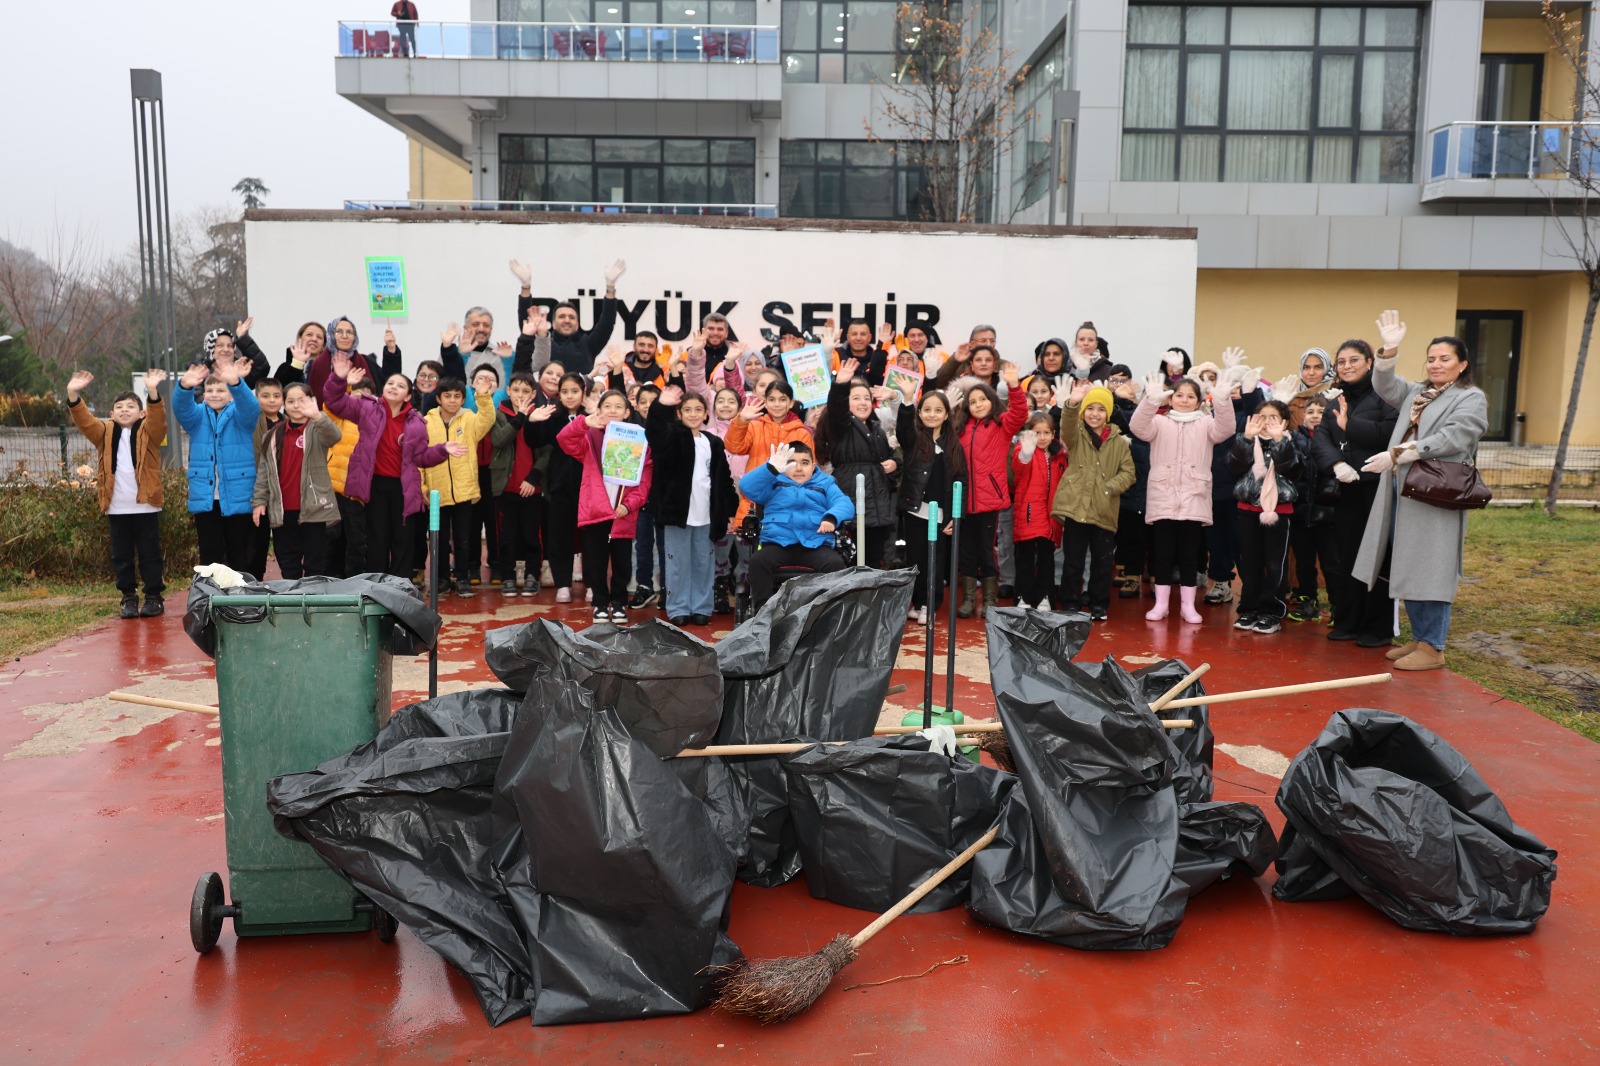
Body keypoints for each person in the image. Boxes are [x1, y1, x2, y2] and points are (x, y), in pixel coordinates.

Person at [1352, 312, 1489, 671]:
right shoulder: (1419, 393)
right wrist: (1389, 350)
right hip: (1406, 490)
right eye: (1431, 358)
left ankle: (1433, 646)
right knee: (1409, 561)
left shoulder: (1470, 397)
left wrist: (1400, 453)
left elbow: (1455, 437)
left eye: (1445, 358)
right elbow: (1385, 386)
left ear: (1462, 364)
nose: (1436, 364)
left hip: (1436, 492)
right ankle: (1420, 637)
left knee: (1433, 567)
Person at [321, 354, 462, 579]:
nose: (394, 387)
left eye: (400, 385)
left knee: (402, 540)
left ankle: (400, 585)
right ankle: (376, 586)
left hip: (403, 488)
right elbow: (333, 401)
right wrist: (339, 378)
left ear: (408, 395)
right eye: (390, 383)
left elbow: (421, 457)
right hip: (374, 485)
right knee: (376, 539)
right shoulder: (367, 407)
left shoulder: (416, 423)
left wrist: (443, 449)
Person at [1130, 356, 1237, 624]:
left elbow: (1226, 429)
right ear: (1171, 398)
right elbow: (1137, 427)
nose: (1184, 400)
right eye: (1179, 395)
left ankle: (1188, 607)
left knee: (1190, 556)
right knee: (1163, 555)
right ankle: (1161, 605)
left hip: (1194, 498)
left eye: (1191, 396)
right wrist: (1150, 401)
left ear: (1199, 401)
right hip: (1163, 497)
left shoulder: (1206, 424)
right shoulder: (1160, 422)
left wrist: (1222, 399)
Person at [1313, 338, 1400, 646]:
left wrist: (1350, 425)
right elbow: (1321, 436)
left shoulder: (1387, 396)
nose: (1347, 366)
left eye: (1353, 360)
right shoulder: (1336, 399)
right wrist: (1336, 464)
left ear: (1369, 363)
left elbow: (1388, 433)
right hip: (1347, 489)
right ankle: (1349, 621)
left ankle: (1377, 627)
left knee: (1379, 555)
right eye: (1341, 362)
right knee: (1347, 554)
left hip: (1378, 488)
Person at [66, 369, 168, 618]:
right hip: (116, 507)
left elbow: (158, 421)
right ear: (111, 414)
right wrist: (72, 393)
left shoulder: (149, 432)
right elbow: (85, 421)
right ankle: (128, 597)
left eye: (131, 406)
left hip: (146, 506)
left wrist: (152, 391)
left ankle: (153, 597)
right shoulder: (104, 432)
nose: (124, 410)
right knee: (121, 556)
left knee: (150, 554)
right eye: (119, 407)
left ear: (141, 413)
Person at [557, 388, 652, 623]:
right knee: (595, 561)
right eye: (607, 406)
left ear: (627, 412)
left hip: (622, 513)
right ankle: (600, 603)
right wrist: (583, 422)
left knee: (622, 562)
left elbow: (644, 480)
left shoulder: (640, 440)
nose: (613, 410)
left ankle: (619, 602)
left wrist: (629, 505)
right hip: (596, 510)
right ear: (599, 410)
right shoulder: (590, 437)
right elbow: (564, 440)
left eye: (618, 406)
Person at [648, 386, 737, 625]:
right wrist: (661, 406)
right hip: (677, 514)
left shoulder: (713, 443)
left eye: (698, 409)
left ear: (706, 414)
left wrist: (729, 509)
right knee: (677, 563)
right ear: (679, 414)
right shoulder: (671, 437)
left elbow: (724, 479)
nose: (693, 414)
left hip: (706, 514)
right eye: (687, 410)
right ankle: (678, 608)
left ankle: (701, 607)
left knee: (703, 563)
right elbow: (654, 431)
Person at [1052, 381, 1136, 621]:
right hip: (1076, 508)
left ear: (1108, 413)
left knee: (1102, 562)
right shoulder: (1076, 435)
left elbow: (1129, 473)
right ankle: (1070, 602)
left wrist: (1109, 487)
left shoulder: (1119, 442)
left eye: (1100, 409)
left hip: (1103, 509)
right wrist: (1072, 403)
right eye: (1090, 408)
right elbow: (1066, 426)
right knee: (1073, 560)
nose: (1095, 414)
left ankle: (1099, 604)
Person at [740, 441, 856, 611]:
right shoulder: (773, 482)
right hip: (778, 544)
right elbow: (746, 487)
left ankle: (828, 613)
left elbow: (844, 503)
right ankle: (762, 614)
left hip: (815, 544)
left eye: (805, 463)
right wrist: (770, 469)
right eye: (792, 463)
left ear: (813, 466)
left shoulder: (826, 483)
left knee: (834, 563)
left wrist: (831, 517)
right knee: (758, 561)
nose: (799, 468)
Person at [954, 364, 1029, 618]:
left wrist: (1014, 386)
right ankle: (967, 599)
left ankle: (989, 598)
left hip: (989, 501)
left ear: (992, 400)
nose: (978, 404)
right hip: (963, 500)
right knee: (966, 552)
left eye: (982, 399)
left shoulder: (1001, 424)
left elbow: (1019, 414)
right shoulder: (960, 428)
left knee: (987, 551)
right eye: (972, 401)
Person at [174, 359, 261, 572]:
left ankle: (240, 592)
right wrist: (184, 387)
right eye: (209, 390)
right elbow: (181, 408)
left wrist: (236, 383)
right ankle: (211, 591)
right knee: (209, 555)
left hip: (237, 496)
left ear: (231, 394)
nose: (214, 394)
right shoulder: (197, 417)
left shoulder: (240, 417)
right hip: (206, 499)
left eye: (221, 390)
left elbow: (251, 407)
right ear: (203, 394)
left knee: (238, 554)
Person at [250, 382, 342, 579]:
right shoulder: (272, 435)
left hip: (313, 508)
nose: (296, 405)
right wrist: (259, 502)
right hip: (282, 510)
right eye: (291, 401)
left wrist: (317, 415)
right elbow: (264, 472)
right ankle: (293, 597)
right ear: (284, 404)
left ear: (311, 401)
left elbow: (334, 436)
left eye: (302, 400)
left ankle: (313, 597)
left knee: (315, 564)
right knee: (288, 563)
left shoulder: (317, 429)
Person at [1225, 400, 1300, 634]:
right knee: (1250, 562)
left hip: (1278, 511)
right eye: (1262, 417)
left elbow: (1292, 468)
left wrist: (1279, 441)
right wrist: (1247, 439)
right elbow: (1234, 466)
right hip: (1248, 509)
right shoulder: (1247, 440)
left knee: (1275, 563)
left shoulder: (1291, 441)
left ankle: (1271, 611)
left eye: (1273, 417)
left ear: (1284, 422)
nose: (1267, 422)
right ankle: (1249, 608)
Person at [816, 357, 898, 567]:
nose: (863, 403)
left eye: (867, 398)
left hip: (877, 501)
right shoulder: (841, 425)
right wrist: (840, 386)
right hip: (851, 496)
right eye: (856, 398)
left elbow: (889, 455)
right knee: (851, 559)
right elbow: (837, 408)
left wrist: (893, 463)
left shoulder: (876, 427)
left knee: (873, 558)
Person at [421, 377, 499, 594]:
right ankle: (442, 579)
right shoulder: (426, 422)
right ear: (438, 399)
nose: (452, 400)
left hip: (464, 491)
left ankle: (462, 577)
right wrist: (422, 486)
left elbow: (487, 419)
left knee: (463, 539)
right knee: (439, 539)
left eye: (457, 396)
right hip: (436, 491)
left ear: (463, 399)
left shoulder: (469, 419)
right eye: (447, 396)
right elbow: (418, 456)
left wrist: (482, 396)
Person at [894, 384, 965, 624]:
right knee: (915, 559)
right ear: (919, 413)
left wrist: (955, 516)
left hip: (941, 515)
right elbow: (903, 429)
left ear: (946, 415)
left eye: (938, 410)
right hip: (915, 511)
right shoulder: (914, 440)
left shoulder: (954, 446)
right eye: (926, 409)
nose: (932, 414)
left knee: (935, 561)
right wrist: (907, 400)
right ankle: (917, 603)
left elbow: (961, 482)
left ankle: (930, 605)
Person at [527, 373, 591, 603]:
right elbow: (534, 441)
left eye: (574, 391)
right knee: (559, 537)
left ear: (583, 392)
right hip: (559, 485)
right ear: (559, 394)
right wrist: (532, 421)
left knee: (590, 538)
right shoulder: (553, 416)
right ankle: (563, 584)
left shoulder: (591, 416)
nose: (570, 396)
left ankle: (592, 584)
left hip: (589, 488)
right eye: (565, 392)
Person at [493, 372, 557, 595]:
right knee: (507, 537)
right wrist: (520, 417)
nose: (520, 395)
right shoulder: (498, 415)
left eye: (526, 391)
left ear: (533, 394)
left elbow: (547, 450)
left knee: (532, 536)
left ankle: (532, 575)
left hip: (532, 488)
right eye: (516, 390)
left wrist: (533, 477)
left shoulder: (540, 415)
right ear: (508, 391)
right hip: (506, 487)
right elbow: (498, 440)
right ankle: (508, 577)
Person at [725, 379, 814, 533]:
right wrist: (741, 421)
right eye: (772, 400)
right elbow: (734, 446)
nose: (777, 404)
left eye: (782, 399)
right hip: (753, 505)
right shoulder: (755, 426)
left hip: (787, 507)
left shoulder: (801, 433)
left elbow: (807, 472)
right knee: (752, 548)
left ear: (791, 403)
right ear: (765, 402)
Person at [1286, 395, 1341, 623]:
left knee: (1332, 563)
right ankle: (1308, 602)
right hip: (1301, 513)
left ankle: (1338, 606)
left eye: (1321, 412)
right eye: (1310, 412)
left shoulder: (1336, 439)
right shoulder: (1295, 439)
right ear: (1303, 416)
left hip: (1328, 514)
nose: (1315, 416)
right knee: (1304, 563)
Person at [1010, 413, 1067, 611]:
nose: (1042, 437)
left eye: (1046, 433)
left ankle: (1045, 597)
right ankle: (1022, 597)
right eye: (1037, 433)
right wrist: (1025, 454)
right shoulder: (1023, 449)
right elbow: (1018, 467)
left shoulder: (1060, 456)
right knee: (1024, 559)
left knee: (1046, 560)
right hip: (1028, 515)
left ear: (1053, 434)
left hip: (1051, 517)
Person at [324, 373, 374, 575]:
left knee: (357, 539)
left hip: (357, 491)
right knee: (331, 537)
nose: (360, 402)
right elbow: (330, 403)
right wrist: (345, 385)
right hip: (334, 488)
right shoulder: (339, 418)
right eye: (356, 397)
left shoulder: (374, 422)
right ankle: (330, 578)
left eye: (366, 398)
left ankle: (354, 579)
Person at [247, 378, 287, 580]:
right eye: (265, 396)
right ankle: (255, 582)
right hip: (259, 489)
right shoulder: (251, 422)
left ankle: (290, 582)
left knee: (285, 543)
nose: (271, 400)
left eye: (276, 396)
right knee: (256, 542)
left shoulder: (289, 422)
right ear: (256, 398)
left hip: (283, 491)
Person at [189, 319, 270, 390]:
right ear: (210, 349)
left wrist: (243, 339)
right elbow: (196, 398)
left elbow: (262, 368)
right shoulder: (199, 374)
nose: (226, 349)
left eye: (230, 346)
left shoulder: (240, 372)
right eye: (220, 345)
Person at [1287, 347, 1335, 429]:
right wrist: (1281, 404)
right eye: (1306, 367)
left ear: (1327, 369)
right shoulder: (1292, 399)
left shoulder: (1337, 394)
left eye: (1318, 367)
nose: (1311, 373)